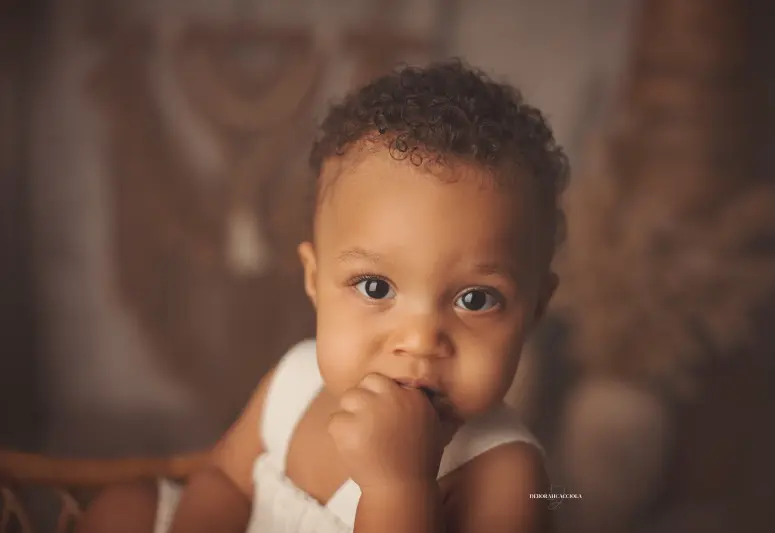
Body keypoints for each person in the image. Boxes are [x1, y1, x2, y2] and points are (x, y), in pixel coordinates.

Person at [78, 58, 569, 533]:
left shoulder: (506, 476)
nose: (419, 340)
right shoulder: (295, 380)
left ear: (534, 310)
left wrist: (399, 487)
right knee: (122, 509)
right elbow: (224, 479)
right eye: (375, 287)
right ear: (314, 280)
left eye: (475, 299)